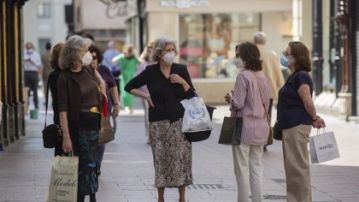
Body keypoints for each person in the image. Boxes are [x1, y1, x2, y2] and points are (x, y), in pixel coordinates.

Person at [125, 37, 195, 202]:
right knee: (160, 159)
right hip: (158, 123)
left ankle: (182, 198)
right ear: (159, 53)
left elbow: (192, 95)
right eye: (167, 50)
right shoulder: (151, 71)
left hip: (179, 122)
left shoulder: (181, 69)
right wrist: (145, 96)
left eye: (173, 50)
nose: (171, 53)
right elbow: (129, 86)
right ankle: (160, 198)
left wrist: (183, 82)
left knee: (181, 159)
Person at [57, 35, 106, 202]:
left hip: (94, 124)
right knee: (83, 166)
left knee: (92, 165)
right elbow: (62, 110)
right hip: (78, 126)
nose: (89, 54)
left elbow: (101, 86)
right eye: (84, 50)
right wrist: (66, 137)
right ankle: (81, 198)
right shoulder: (64, 77)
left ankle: (92, 197)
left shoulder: (89, 70)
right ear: (73, 53)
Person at [277, 41, 326, 202]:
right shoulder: (295, 75)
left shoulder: (301, 76)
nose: (283, 56)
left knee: (297, 169)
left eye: (287, 53)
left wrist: (315, 118)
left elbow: (307, 101)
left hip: (296, 127)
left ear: (297, 57)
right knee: (294, 169)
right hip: (291, 126)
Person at [224, 42, 270, 202]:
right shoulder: (262, 76)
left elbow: (238, 103)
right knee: (256, 168)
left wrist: (230, 98)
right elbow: (267, 102)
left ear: (246, 57)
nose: (236, 59)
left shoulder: (243, 76)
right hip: (260, 127)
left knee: (241, 169)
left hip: (242, 127)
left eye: (238, 55)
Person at [88, 45, 120, 175]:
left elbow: (113, 87)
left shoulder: (104, 70)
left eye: (94, 57)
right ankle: (90, 164)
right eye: (89, 57)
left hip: (104, 110)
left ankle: (97, 165)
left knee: (101, 140)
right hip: (88, 111)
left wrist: (117, 104)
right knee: (90, 139)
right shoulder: (83, 72)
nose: (92, 60)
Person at [253, 32, 285, 152]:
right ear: (264, 41)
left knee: (255, 115)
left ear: (254, 41)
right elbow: (278, 73)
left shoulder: (252, 53)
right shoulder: (271, 54)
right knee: (267, 116)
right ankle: (265, 141)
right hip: (269, 91)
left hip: (254, 90)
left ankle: (256, 139)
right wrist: (281, 87)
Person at [48, 43, 65, 156]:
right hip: (64, 113)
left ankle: (61, 172)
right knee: (64, 142)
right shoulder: (63, 75)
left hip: (58, 113)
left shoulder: (53, 74)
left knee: (60, 144)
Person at [137, 42, 154, 143]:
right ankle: (150, 136)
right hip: (146, 93)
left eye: (153, 48)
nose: (151, 50)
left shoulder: (160, 62)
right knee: (148, 115)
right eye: (149, 48)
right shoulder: (143, 63)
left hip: (159, 92)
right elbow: (138, 77)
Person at [115, 45, 140, 113]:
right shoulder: (122, 58)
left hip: (131, 78)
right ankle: (126, 107)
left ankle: (130, 107)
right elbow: (113, 60)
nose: (126, 54)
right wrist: (121, 55)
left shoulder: (134, 58)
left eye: (127, 52)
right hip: (123, 78)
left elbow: (140, 62)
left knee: (131, 93)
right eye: (125, 52)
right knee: (125, 93)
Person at [24, 42, 42, 110]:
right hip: (26, 72)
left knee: (35, 90)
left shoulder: (36, 54)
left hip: (34, 72)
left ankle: (36, 106)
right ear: (26, 47)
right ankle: (26, 106)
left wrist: (32, 62)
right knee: (26, 90)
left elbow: (39, 64)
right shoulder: (23, 53)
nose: (29, 47)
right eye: (28, 46)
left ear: (32, 47)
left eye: (30, 46)